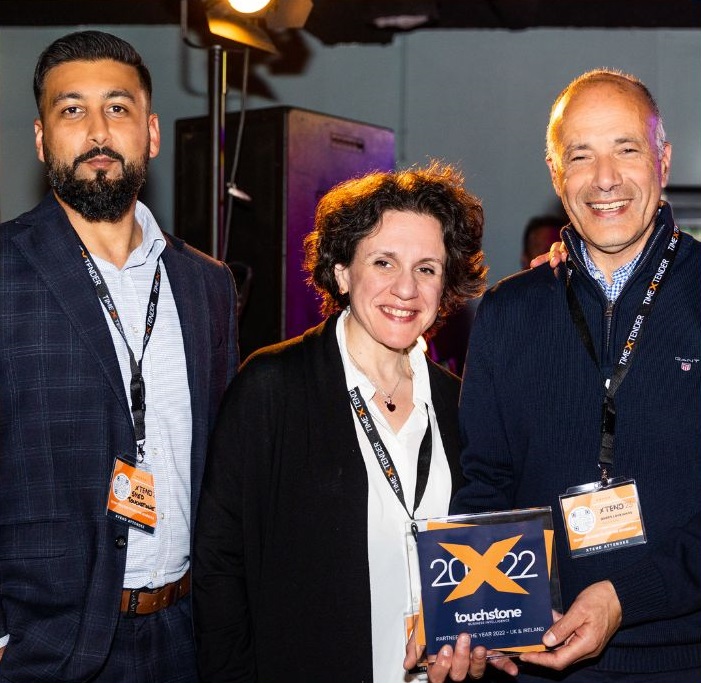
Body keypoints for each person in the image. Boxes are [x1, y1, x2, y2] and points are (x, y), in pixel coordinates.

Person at [406, 69, 701, 682]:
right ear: (554, 171)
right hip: (538, 658)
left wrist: (626, 596)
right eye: (580, 155)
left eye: (627, 149)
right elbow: (487, 483)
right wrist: (469, 615)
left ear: (663, 158)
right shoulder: (510, 310)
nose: (605, 179)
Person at [0, 31, 238, 682]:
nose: (98, 130)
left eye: (118, 107)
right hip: (46, 648)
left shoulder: (205, 284)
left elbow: (223, 470)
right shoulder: (4, 271)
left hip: (188, 637)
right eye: (71, 110)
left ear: (151, 133)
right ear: (43, 139)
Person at [192, 162, 488, 683]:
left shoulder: (461, 404)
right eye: (383, 262)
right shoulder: (272, 387)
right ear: (343, 271)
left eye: (427, 268)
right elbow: (219, 566)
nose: (406, 289)